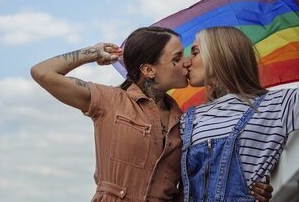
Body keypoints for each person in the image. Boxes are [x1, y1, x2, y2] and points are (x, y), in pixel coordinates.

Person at [30, 26, 273, 201]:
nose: (187, 63)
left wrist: (247, 188)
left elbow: (201, 181)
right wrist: (93, 53)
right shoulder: (109, 100)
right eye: (177, 58)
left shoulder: (189, 122)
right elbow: (42, 72)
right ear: (149, 70)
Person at [180, 0, 299, 201]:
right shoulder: (187, 119)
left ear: (220, 54)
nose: (186, 61)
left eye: (194, 51)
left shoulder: (276, 106)